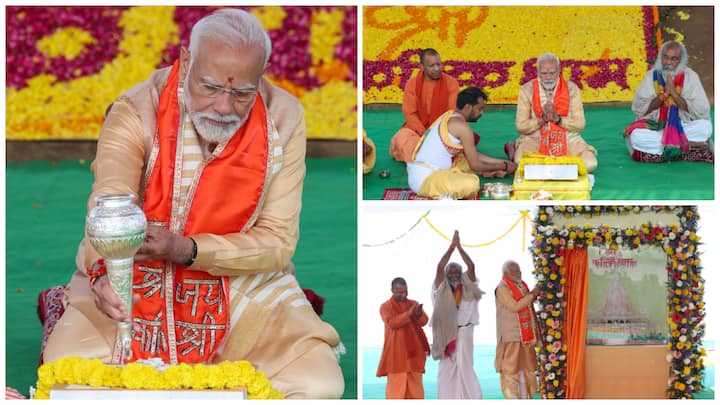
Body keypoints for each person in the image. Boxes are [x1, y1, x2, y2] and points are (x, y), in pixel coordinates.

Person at [42, 9, 344, 399]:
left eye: (241, 93)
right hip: (133, 273)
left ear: (262, 75)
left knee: (318, 384)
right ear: (186, 62)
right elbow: (108, 207)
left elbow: (277, 242)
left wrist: (186, 249)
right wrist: (103, 275)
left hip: (240, 282)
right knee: (67, 375)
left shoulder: (284, 117)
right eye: (210, 87)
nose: (223, 106)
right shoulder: (136, 110)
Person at [407, 86, 517, 199]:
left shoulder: (450, 115)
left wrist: (503, 162)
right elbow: (476, 165)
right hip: (426, 179)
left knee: (466, 162)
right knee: (472, 184)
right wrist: (503, 166)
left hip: (424, 171)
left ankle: (488, 171)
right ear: (468, 107)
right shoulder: (462, 127)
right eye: (479, 109)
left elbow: (474, 155)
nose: (482, 113)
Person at [624, 41, 713, 163]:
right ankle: (687, 149)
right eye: (665, 57)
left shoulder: (691, 76)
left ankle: (665, 151)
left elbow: (702, 110)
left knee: (705, 127)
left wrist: (675, 94)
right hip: (657, 126)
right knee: (637, 136)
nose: (668, 62)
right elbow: (639, 109)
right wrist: (664, 95)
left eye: (674, 59)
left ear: (681, 61)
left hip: (684, 125)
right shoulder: (651, 76)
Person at [509, 52, 598, 172]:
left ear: (559, 71)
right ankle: (562, 169)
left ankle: (549, 168)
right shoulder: (527, 90)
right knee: (520, 161)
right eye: (544, 73)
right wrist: (542, 120)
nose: (548, 77)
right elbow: (520, 126)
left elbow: (580, 124)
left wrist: (558, 120)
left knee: (590, 163)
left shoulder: (571, 88)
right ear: (538, 72)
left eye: (552, 73)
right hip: (536, 138)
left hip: (568, 138)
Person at [430, 231, 485, 399]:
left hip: (465, 332)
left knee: (465, 366)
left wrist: (460, 248)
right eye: (450, 272)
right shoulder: (440, 288)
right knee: (446, 369)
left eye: (456, 271)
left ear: (461, 273)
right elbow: (439, 268)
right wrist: (450, 248)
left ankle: (471, 398)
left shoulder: (468, 284)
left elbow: (472, 267)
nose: (453, 274)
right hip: (446, 334)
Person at [390, 48, 460, 163]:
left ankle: (426, 157)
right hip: (417, 130)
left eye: (438, 64)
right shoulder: (412, 84)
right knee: (401, 138)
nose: (437, 69)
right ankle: (429, 158)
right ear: (422, 67)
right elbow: (410, 113)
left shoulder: (451, 83)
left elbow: (451, 113)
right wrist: (424, 133)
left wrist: (435, 134)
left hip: (443, 131)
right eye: (431, 66)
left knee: (463, 137)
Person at [377, 277, 430, 399]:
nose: (403, 294)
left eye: (405, 291)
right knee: (396, 394)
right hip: (396, 357)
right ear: (392, 290)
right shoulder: (386, 306)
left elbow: (424, 321)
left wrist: (419, 314)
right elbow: (392, 323)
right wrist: (409, 314)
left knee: (416, 394)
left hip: (414, 357)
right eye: (400, 292)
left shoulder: (413, 304)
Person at [494, 260, 540, 399]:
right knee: (511, 371)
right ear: (506, 273)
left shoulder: (521, 286)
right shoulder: (502, 288)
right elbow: (515, 306)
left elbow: (527, 306)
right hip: (511, 337)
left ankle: (525, 397)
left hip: (525, 336)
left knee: (526, 370)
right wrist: (532, 295)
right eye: (514, 271)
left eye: (519, 270)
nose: (519, 273)